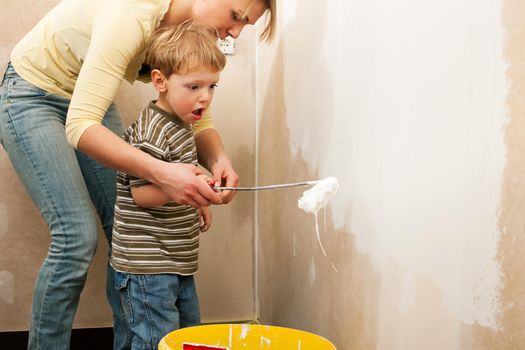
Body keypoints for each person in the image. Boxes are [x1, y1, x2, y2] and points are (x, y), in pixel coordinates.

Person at [0, 0, 275, 349]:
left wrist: (219, 159)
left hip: (84, 96)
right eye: (236, 17)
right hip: (31, 94)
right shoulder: (131, 15)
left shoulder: (184, 30)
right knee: (76, 238)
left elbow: (199, 119)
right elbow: (82, 124)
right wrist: (165, 175)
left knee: (127, 229)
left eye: (245, 25)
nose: (235, 33)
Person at [111, 21, 225, 349]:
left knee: (186, 336)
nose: (205, 97)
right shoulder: (153, 131)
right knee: (157, 341)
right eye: (194, 87)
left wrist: (198, 199)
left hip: (174, 259)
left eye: (212, 86)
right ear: (159, 81)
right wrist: (195, 184)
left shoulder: (180, 123)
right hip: (148, 266)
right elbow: (142, 193)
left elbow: (180, 177)